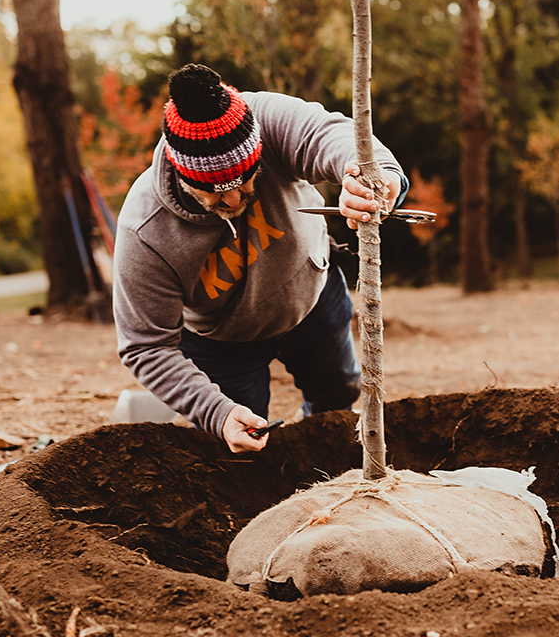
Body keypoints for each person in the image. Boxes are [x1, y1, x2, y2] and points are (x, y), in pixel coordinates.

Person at [113, 64, 408, 454]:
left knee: (337, 396)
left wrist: (375, 178)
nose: (235, 200)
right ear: (185, 177)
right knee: (247, 444)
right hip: (220, 340)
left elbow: (330, 136)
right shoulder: (145, 232)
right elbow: (146, 346)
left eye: (246, 178)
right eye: (216, 193)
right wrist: (216, 412)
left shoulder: (267, 121)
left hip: (312, 296)